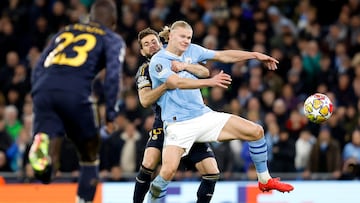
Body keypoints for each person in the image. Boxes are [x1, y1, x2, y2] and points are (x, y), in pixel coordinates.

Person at [147, 20, 294, 202]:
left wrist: (255, 55)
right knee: (167, 172)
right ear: (170, 36)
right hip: (178, 124)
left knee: (256, 131)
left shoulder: (192, 50)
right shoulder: (159, 60)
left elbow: (223, 56)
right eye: (182, 37)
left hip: (203, 116)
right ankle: (152, 198)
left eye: (189, 37)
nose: (186, 41)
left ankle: (265, 180)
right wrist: (210, 82)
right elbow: (176, 83)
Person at [27, 0, 126, 202]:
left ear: (90, 18)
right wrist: (111, 115)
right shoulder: (112, 38)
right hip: (75, 93)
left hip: (43, 90)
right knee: (90, 154)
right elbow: (113, 78)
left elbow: (39, 64)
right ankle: (83, 200)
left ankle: (43, 149)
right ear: (114, 21)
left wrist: (37, 93)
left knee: (48, 167)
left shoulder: (66, 30)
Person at [134, 27, 220, 203]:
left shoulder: (179, 56)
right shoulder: (144, 70)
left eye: (153, 41)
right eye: (146, 44)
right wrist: (166, 85)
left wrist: (189, 67)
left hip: (192, 119)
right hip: (164, 121)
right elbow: (144, 100)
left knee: (211, 171)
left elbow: (204, 71)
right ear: (142, 51)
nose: (151, 45)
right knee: (149, 162)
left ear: (161, 42)